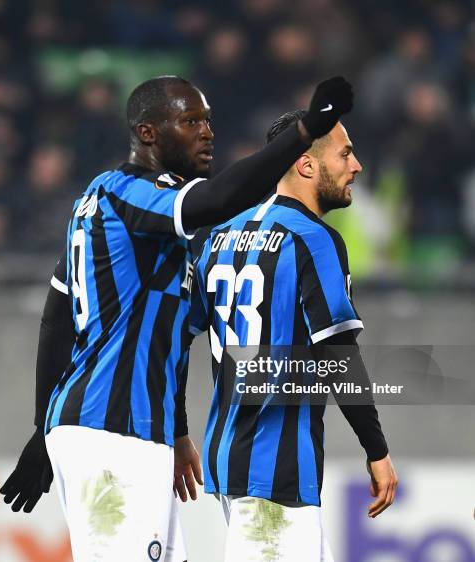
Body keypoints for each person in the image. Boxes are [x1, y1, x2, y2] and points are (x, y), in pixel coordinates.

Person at [0, 75, 354, 562]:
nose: (207, 132)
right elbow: (217, 200)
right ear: (148, 133)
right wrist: (304, 130)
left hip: (128, 430)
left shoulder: (103, 205)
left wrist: (173, 427)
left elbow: (59, 319)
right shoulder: (130, 193)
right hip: (111, 432)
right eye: (190, 121)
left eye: (208, 120)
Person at [189, 109, 398, 561]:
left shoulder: (219, 236)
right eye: (345, 153)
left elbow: (176, 338)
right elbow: (338, 353)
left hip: (229, 460)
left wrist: (176, 430)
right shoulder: (312, 237)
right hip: (276, 468)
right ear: (306, 164)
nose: (356, 165)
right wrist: (377, 450)